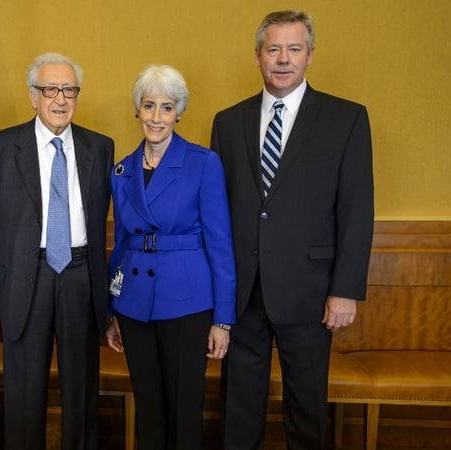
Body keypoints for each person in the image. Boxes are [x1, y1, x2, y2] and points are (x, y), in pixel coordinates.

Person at [210, 10, 374, 449]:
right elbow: (217, 212)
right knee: (239, 406)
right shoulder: (228, 123)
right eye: (274, 49)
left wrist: (345, 289)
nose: (283, 60)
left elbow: (357, 211)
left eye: (294, 49)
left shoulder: (346, 119)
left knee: (305, 406)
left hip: (311, 289)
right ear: (258, 56)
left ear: (310, 55)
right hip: (243, 290)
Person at [0, 52, 114, 450]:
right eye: (50, 89)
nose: (60, 99)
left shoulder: (100, 147)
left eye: (69, 90)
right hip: (27, 276)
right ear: (32, 96)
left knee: (81, 391)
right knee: (24, 390)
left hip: (80, 276)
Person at [104, 65, 235, 449]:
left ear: (178, 112)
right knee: (148, 405)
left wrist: (223, 320)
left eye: (166, 107)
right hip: (134, 304)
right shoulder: (122, 170)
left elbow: (221, 244)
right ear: (137, 110)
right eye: (149, 106)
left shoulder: (202, 163)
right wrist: (112, 309)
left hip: (187, 301)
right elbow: (122, 241)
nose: (156, 117)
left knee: (184, 407)